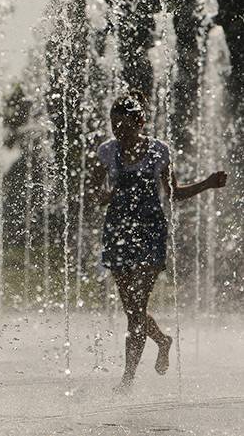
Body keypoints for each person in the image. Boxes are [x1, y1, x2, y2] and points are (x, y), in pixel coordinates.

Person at [93, 92, 227, 394]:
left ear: (140, 122)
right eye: (115, 126)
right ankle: (163, 341)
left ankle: (126, 380)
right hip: (117, 234)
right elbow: (96, 195)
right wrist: (104, 196)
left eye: (125, 125)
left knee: (137, 308)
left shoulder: (159, 152)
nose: (120, 132)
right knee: (133, 312)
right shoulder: (106, 152)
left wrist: (207, 183)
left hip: (151, 234)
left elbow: (173, 194)